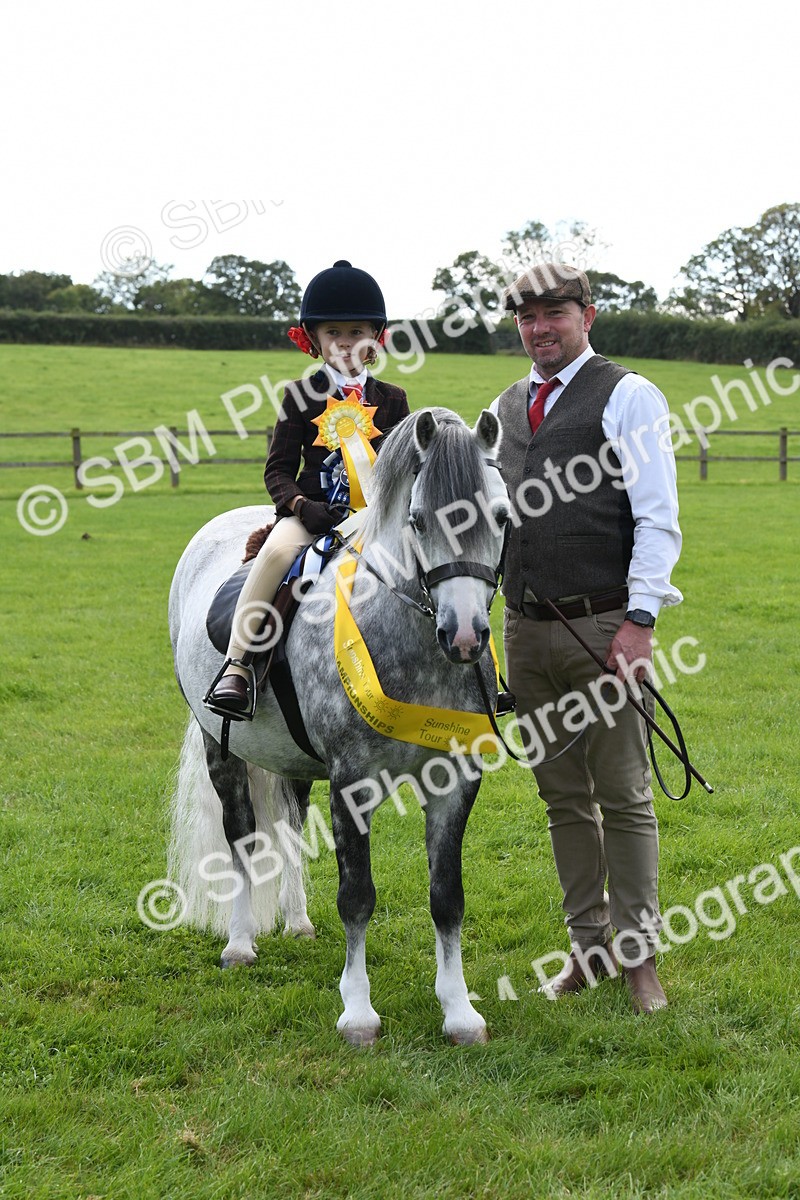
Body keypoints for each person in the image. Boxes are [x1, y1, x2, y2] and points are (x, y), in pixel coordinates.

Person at [491, 262, 682, 1013]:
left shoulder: (628, 394)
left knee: (625, 796)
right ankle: (589, 949)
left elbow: (658, 515)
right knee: (563, 800)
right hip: (525, 631)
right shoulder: (505, 407)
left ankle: (640, 961)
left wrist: (640, 622)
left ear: (587, 315)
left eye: (554, 313)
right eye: (526, 316)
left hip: (604, 625)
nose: (540, 327)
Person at [206, 259, 410, 716]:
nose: (345, 342)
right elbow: (277, 469)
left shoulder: (393, 399)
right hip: (311, 515)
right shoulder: (299, 395)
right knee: (279, 555)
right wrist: (300, 505)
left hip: (375, 516)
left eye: (357, 331)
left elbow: (400, 467)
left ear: (375, 337)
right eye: (334, 332)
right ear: (314, 339)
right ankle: (238, 666)